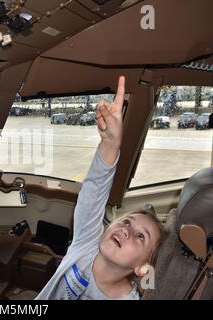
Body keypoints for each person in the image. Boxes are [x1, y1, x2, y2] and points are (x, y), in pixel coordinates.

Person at [36, 76, 166, 300]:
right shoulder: (87, 245)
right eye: (126, 221)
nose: (126, 230)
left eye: (140, 237)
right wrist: (110, 143)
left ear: (143, 268)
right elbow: (94, 190)